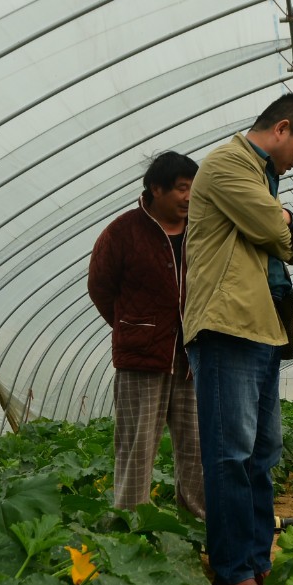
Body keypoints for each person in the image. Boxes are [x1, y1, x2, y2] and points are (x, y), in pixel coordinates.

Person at [183, 93, 293, 585]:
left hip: (262, 328)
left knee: (263, 454)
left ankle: (258, 561)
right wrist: (282, 222)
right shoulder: (225, 165)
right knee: (231, 452)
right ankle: (231, 568)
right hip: (227, 326)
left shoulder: (264, 180)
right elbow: (272, 230)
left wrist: (286, 221)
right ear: (281, 129)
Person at [87, 151, 206, 519]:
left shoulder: (200, 232)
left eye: (194, 189)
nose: (190, 197)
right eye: (183, 189)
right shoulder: (123, 231)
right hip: (141, 360)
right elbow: (100, 287)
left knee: (197, 450)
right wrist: (132, 327)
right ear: (157, 188)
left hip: (192, 358)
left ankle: (200, 525)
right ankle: (130, 525)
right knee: (137, 449)